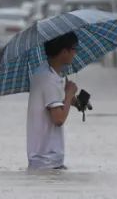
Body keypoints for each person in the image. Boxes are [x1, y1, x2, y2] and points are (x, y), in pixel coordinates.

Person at [27, 32, 79, 170]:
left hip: (40, 158)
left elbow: (50, 105)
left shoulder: (42, 72)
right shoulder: (50, 80)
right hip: (48, 161)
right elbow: (58, 119)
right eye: (74, 49)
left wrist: (71, 100)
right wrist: (68, 95)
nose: (75, 53)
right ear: (64, 51)